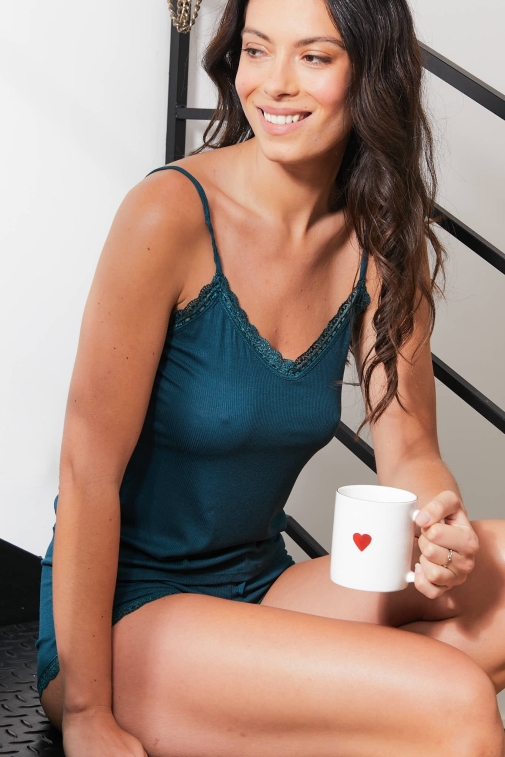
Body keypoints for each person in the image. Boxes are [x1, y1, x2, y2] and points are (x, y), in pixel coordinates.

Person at [36, 0, 505, 754]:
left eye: (313, 57)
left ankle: (351, 712)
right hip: (128, 614)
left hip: (262, 584)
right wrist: (88, 711)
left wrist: (436, 521)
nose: (274, 84)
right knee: (454, 698)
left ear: (371, 73)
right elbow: (85, 471)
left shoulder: (381, 236)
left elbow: (410, 448)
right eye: (256, 50)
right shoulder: (167, 213)